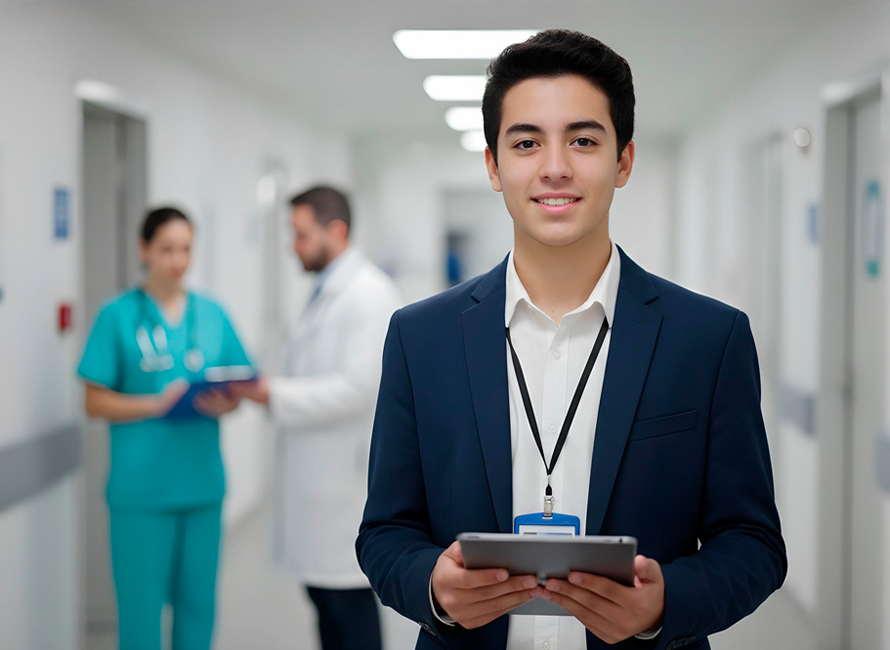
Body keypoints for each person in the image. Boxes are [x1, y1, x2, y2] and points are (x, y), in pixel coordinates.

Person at [357, 30, 787, 650]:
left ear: (623, 161)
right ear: (493, 166)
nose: (555, 166)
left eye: (583, 140)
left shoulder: (708, 339)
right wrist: (432, 587)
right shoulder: (420, 337)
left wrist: (665, 602)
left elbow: (753, 544)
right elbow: (384, 532)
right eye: (526, 142)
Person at [230, 186, 401, 650]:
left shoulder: (369, 295)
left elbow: (359, 389)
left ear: (336, 231)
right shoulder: (328, 291)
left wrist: (272, 393)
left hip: (343, 486)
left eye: (301, 235)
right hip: (318, 484)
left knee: (348, 613)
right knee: (327, 609)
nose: (293, 246)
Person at [78, 206, 252, 650]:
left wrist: (226, 401)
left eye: (186, 249)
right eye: (167, 249)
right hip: (141, 494)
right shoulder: (117, 315)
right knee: (140, 617)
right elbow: (93, 400)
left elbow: (239, 385)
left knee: (198, 611)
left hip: (202, 489)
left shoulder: (213, 314)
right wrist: (155, 404)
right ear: (144, 249)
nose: (178, 260)